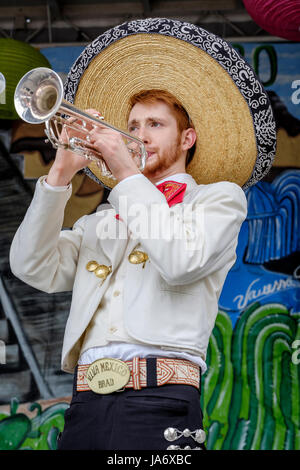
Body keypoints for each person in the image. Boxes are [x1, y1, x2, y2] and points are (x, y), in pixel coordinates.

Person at [9, 18, 276, 450]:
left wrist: (126, 172)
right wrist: (59, 174)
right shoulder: (101, 220)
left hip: (161, 401)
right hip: (86, 404)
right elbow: (30, 267)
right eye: (131, 126)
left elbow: (181, 262)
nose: (137, 136)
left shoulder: (217, 200)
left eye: (154, 125)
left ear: (187, 137)